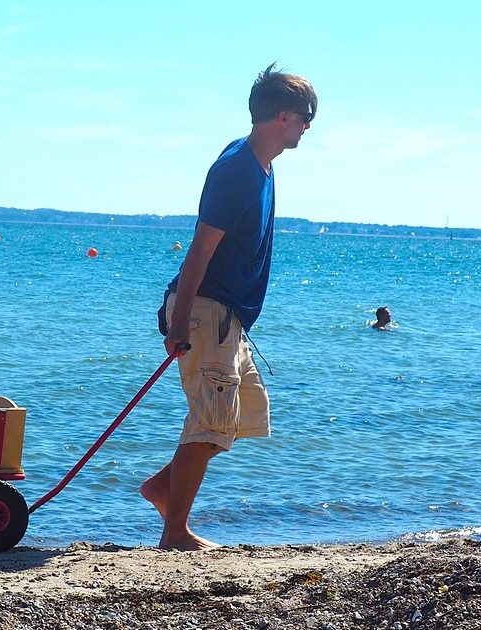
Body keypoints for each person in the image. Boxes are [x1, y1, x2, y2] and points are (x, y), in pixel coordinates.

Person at [140, 63, 317, 551]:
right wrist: (178, 323)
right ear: (282, 116)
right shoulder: (237, 167)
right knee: (211, 420)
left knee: (242, 416)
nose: (308, 127)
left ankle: (162, 488)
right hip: (204, 310)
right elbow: (200, 248)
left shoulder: (263, 165)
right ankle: (174, 534)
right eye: (307, 117)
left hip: (229, 317)